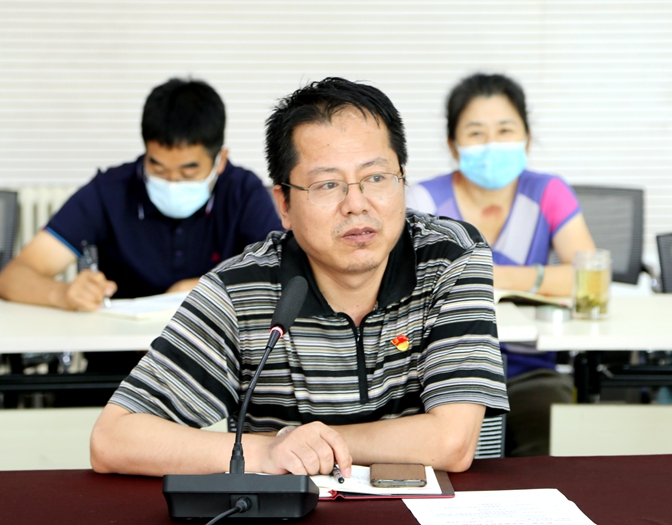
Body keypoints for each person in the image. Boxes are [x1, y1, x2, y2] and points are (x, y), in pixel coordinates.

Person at [90, 77, 509, 478]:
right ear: (284, 205)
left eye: (377, 178)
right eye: (327, 185)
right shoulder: (240, 289)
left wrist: (306, 445)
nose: (356, 203)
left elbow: (452, 442)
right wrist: (268, 452)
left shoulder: (450, 257)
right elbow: (113, 440)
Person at [0, 78, 282, 385]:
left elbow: (281, 275)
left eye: (188, 171)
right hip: (119, 372)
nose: (172, 182)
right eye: (158, 169)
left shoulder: (243, 193)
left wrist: (209, 288)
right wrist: (64, 294)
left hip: (215, 368)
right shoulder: (110, 191)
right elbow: (13, 276)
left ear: (220, 160)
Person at [406, 73, 596, 457]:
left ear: (527, 137)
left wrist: (490, 275)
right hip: (439, 371)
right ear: (453, 144)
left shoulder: (548, 192)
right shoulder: (422, 200)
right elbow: (408, 285)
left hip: (530, 369)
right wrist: (539, 279)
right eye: (476, 132)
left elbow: (588, 277)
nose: (492, 143)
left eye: (505, 130)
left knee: (550, 443)